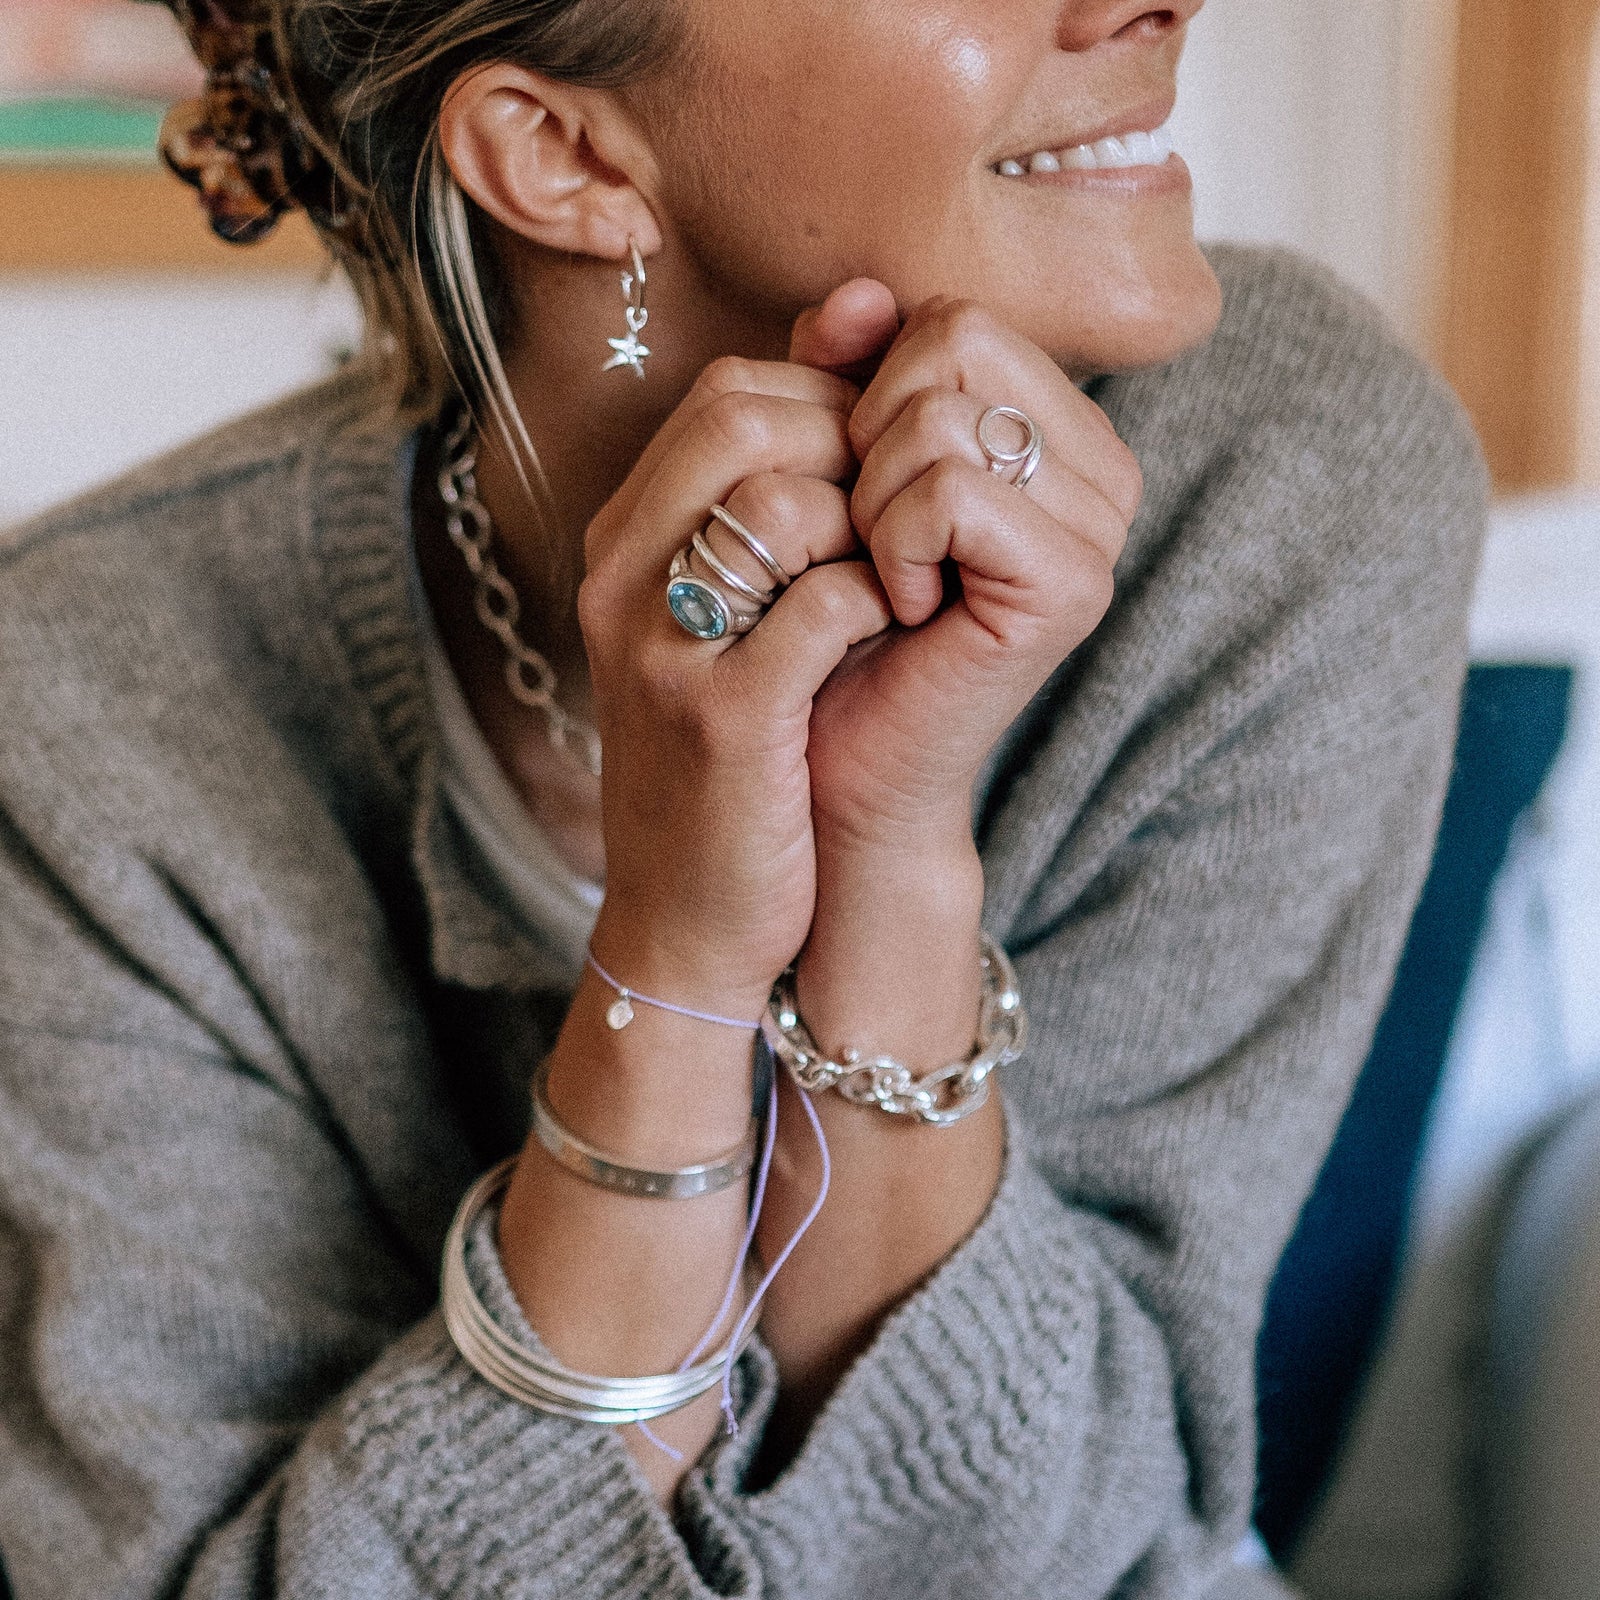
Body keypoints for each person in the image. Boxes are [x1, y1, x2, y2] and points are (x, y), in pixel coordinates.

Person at [0, 2, 1487, 1596]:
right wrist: (679, 960)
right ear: (566, 155)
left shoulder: (1273, 481)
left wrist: (890, 849)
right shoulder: (84, 703)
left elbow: (1057, 1549)